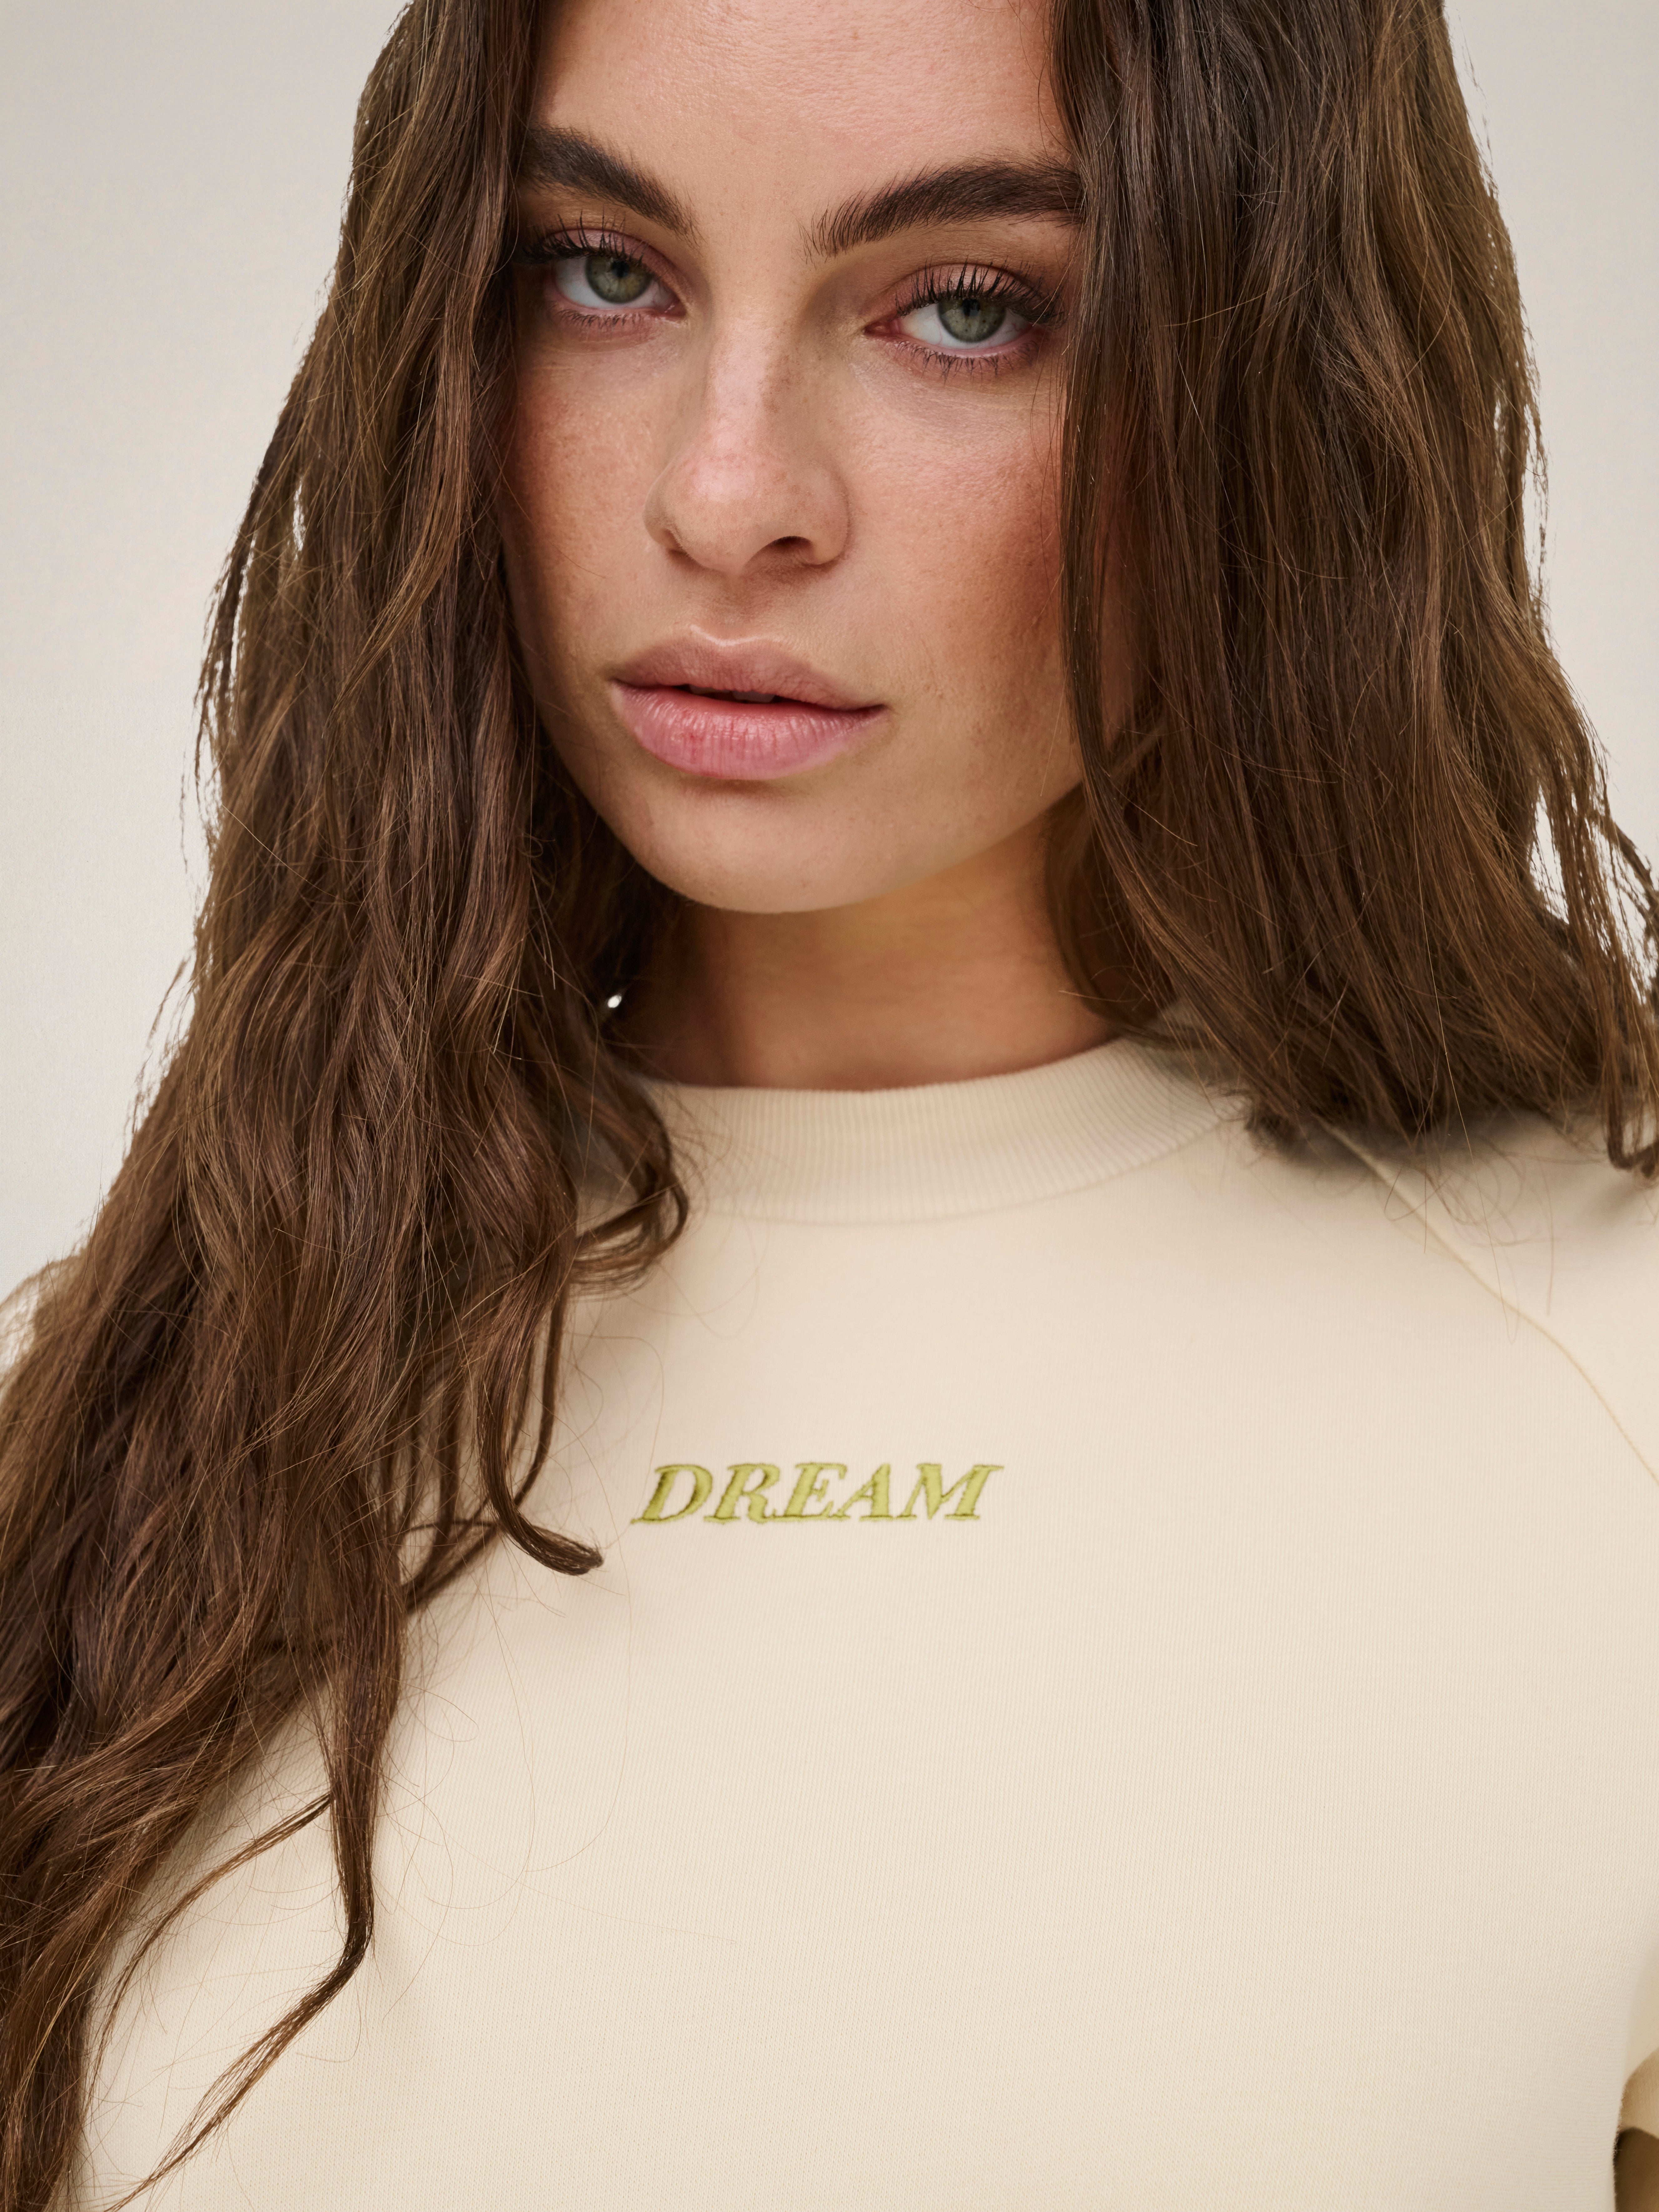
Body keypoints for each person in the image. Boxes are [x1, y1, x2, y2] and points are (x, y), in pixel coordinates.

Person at [2, 0, 1658, 2204]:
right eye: (605, 270)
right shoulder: (123, 1423)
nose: (726, 496)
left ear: (1274, 375)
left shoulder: (1615, 1378)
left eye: (966, 307)